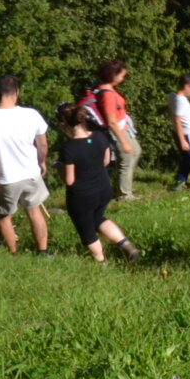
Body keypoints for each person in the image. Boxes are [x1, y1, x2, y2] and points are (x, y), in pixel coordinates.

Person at [0, 73, 52, 254]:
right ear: (17, 92)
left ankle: (14, 253)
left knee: (3, 216)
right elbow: (42, 144)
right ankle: (43, 252)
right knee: (34, 211)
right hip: (30, 173)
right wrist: (41, 161)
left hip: (3, 178)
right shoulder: (31, 114)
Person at [55, 102, 141, 263]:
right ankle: (128, 247)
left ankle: (101, 262)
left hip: (82, 197)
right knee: (97, 219)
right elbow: (106, 161)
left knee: (87, 230)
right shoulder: (99, 136)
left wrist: (58, 168)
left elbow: (69, 180)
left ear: (63, 124)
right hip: (103, 190)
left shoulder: (69, 148)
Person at [90, 60, 139, 201]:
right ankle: (124, 194)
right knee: (126, 158)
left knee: (136, 151)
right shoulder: (107, 94)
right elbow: (111, 121)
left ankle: (125, 187)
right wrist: (123, 142)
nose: (123, 78)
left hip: (124, 128)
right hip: (118, 131)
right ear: (113, 75)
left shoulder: (109, 90)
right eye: (122, 75)